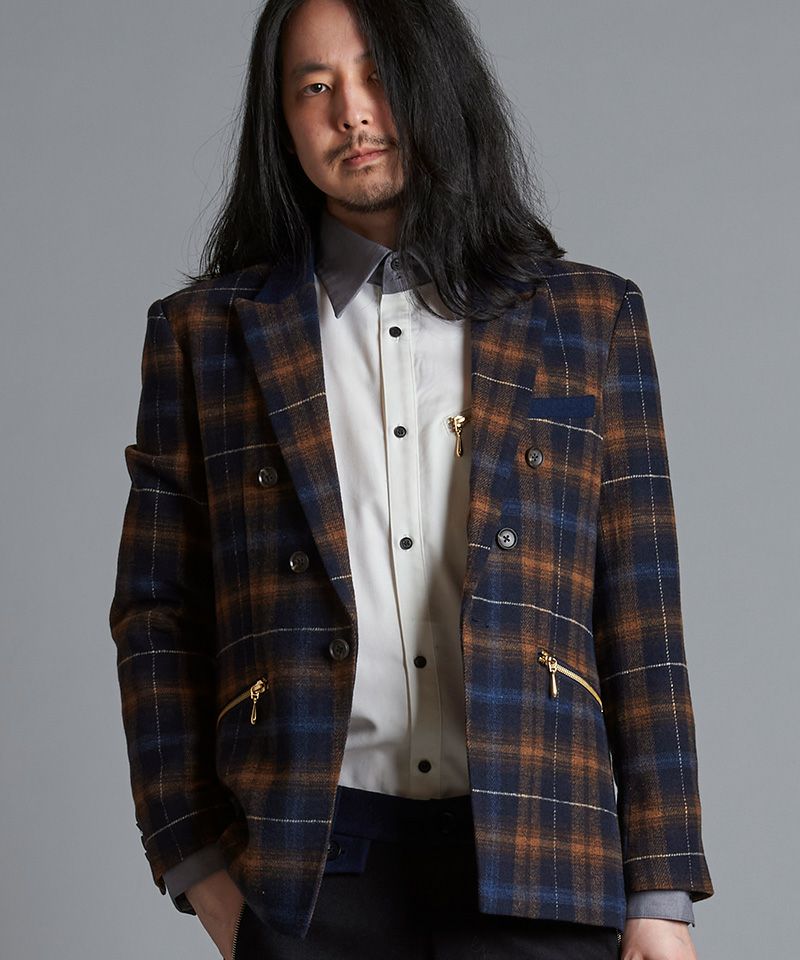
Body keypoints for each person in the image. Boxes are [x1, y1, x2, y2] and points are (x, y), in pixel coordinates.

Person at [109, 0, 714, 957]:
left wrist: (661, 893)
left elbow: (641, 612)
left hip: (541, 861)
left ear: (436, 83)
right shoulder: (207, 336)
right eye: (314, 87)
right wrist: (196, 864)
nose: (351, 111)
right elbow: (156, 612)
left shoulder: (588, 318)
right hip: (309, 874)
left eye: (378, 75)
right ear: (281, 122)